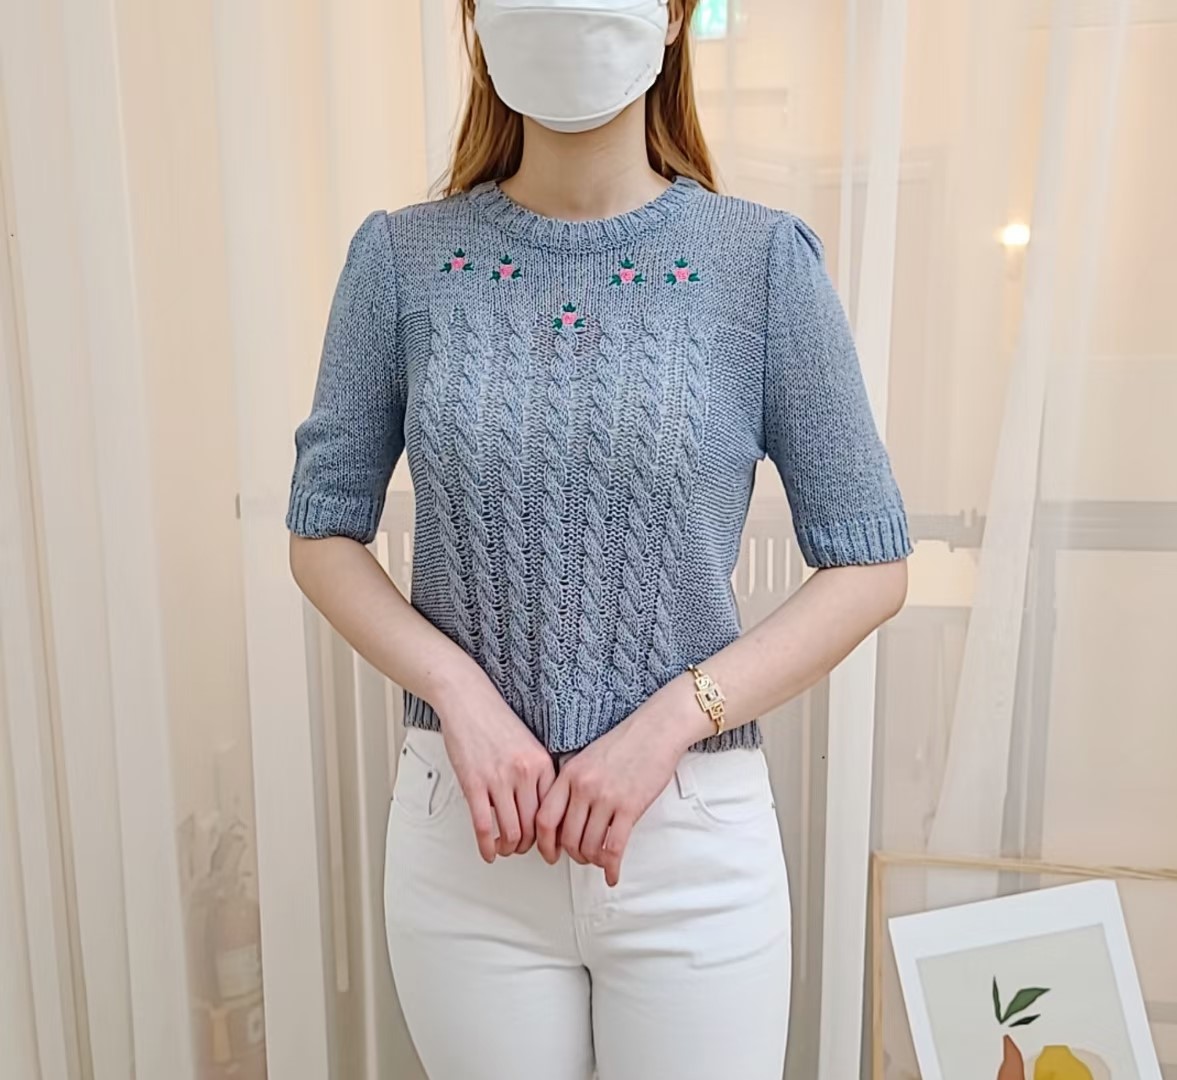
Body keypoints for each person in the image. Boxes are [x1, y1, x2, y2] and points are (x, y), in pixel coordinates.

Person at [285, 1, 911, 1076]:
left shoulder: (759, 264)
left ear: (672, 16)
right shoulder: (399, 261)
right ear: (475, 18)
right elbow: (321, 534)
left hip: (690, 845)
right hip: (469, 833)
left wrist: (669, 723)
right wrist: (460, 692)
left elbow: (870, 565)